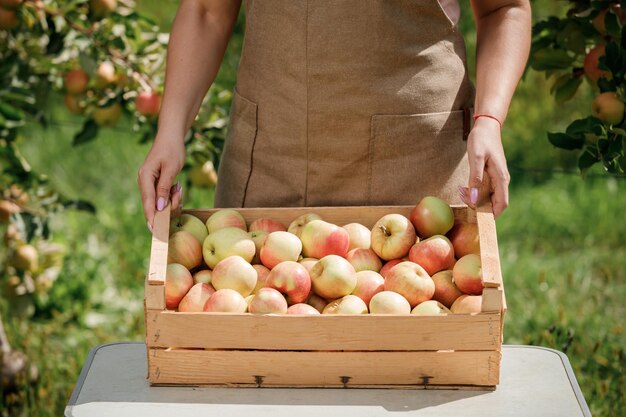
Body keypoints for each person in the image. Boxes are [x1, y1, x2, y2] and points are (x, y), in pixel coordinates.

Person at [138, 0, 531, 231]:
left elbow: (505, 7)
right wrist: (171, 131)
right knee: (263, 358)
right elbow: (207, 10)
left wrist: (489, 122)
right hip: (273, 165)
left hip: (417, 165)